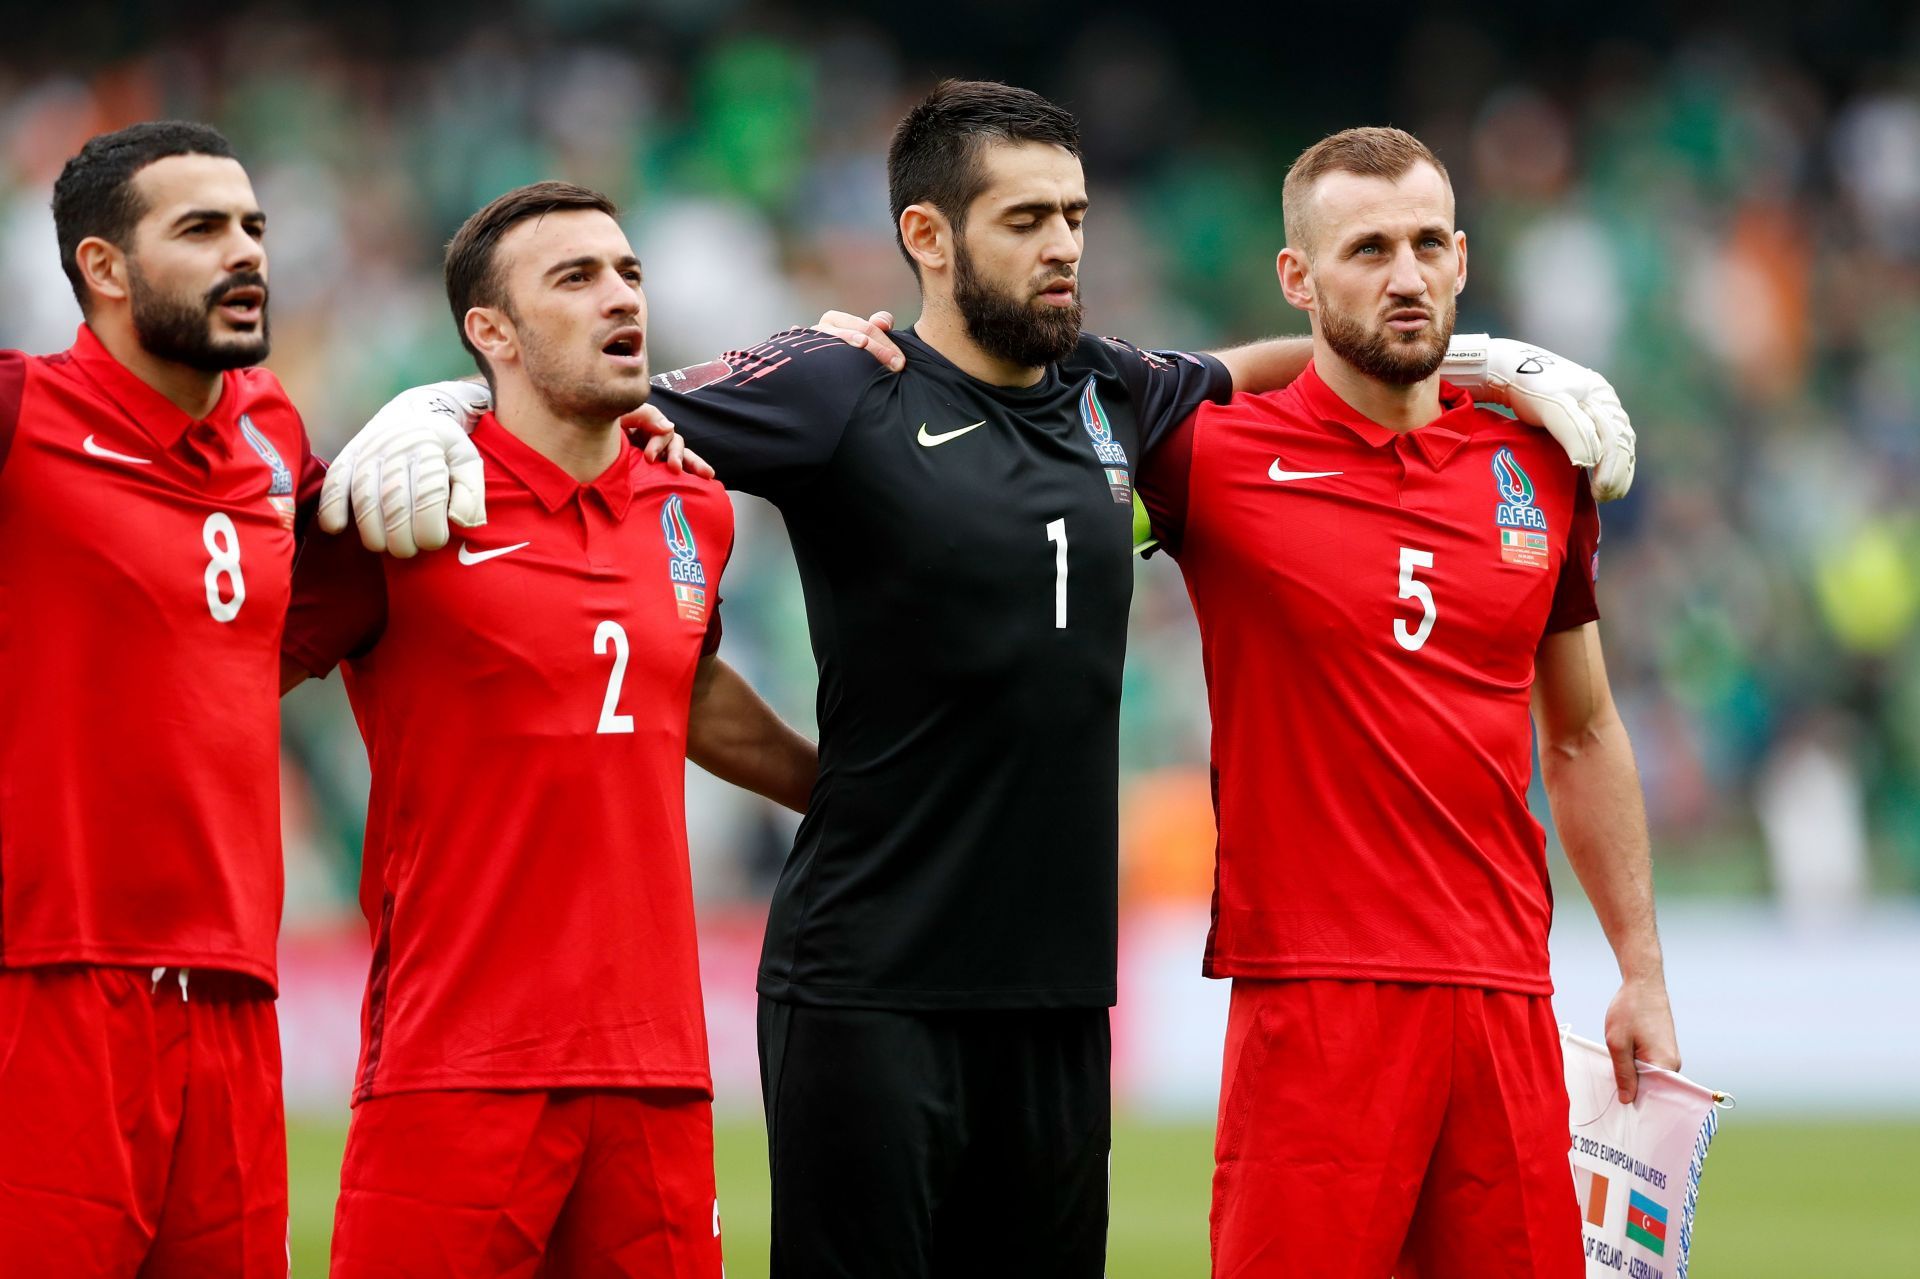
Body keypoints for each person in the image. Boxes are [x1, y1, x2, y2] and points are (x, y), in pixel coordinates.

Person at [333, 81, 1639, 1276]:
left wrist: (1481, 358)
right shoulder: (835, 381)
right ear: (931, 236)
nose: (1065, 243)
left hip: (1060, 990)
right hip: (871, 980)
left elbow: (1267, 364)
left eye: (1073, 214)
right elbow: (603, 399)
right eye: (1026, 218)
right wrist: (441, 403)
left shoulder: (1113, 394)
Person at [1136, 126, 1680, 1278]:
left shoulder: (1539, 466)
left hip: (1504, 999)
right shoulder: (1211, 457)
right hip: (1313, 995)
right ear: (1298, 276)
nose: (1407, 274)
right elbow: (1067, 408)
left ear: (1465, 256)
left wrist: (1640, 969)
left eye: (1430, 244)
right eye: (1367, 248)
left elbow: (1580, 730)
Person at [281, 181, 817, 1278]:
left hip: (658, 1072)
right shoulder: (402, 509)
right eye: (574, 278)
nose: (620, 296)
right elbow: (220, 663)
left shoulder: (693, 507)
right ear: (491, 333)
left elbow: (685, 688)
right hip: (455, 1063)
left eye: (627, 272)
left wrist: (850, 792)